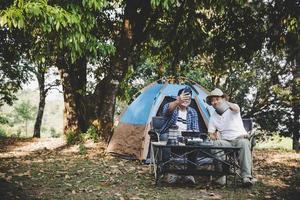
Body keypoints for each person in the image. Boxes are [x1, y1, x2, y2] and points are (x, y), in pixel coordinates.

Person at [206, 88, 255, 186]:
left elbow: (236, 109)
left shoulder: (233, 108)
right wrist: (214, 136)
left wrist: (225, 102)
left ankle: (246, 177)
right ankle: (221, 175)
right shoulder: (213, 117)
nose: (214, 102)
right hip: (225, 142)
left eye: (217, 99)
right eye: (212, 100)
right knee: (215, 144)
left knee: (244, 143)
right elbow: (210, 133)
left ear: (223, 98)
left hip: (239, 139)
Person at [159, 86, 200, 184]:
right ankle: (167, 172)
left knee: (195, 143)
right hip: (170, 135)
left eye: (189, 98)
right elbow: (167, 111)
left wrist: (193, 138)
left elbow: (195, 130)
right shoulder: (171, 106)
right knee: (165, 138)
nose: (186, 99)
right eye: (184, 97)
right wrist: (178, 101)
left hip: (185, 138)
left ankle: (190, 174)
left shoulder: (192, 112)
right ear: (178, 97)